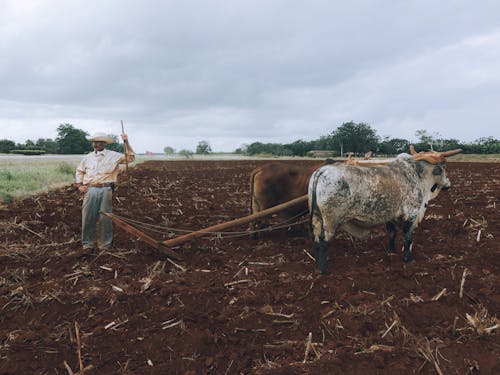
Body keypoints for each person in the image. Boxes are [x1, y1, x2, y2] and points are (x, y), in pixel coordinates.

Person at [75, 132, 135, 252]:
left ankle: (105, 245)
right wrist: (79, 185)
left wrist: (126, 142)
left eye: (99, 142)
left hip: (106, 189)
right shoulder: (88, 157)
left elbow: (130, 158)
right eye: (95, 142)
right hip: (90, 189)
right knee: (88, 217)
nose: (96, 144)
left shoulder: (114, 155)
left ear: (104, 144)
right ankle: (88, 244)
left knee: (105, 218)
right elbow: (80, 171)